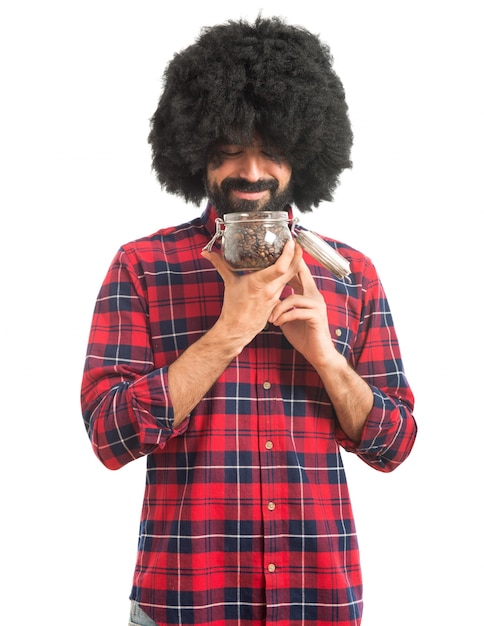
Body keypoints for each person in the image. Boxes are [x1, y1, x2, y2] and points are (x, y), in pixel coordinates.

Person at [81, 15, 417, 626]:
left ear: (307, 155)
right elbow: (108, 435)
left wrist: (327, 358)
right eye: (230, 150)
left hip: (317, 601)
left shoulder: (351, 276)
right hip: (186, 601)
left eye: (273, 151)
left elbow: (394, 446)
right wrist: (230, 330)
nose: (253, 172)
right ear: (195, 154)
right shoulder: (143, 266)